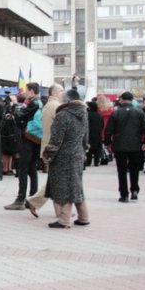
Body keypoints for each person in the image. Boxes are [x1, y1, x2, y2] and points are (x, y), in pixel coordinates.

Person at [42, 89, 90, 228]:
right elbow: (85, 137)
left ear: (67, 101)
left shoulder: (63, 115)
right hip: (78, 154)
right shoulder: (83, 113)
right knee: (76, 186)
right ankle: (83, 217)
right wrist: (83, 151)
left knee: (65, 187)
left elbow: (56, 140)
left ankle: (64, 220)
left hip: (63, 156)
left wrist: (48, 156)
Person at [24, 83, 64, 217]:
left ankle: (61, 212)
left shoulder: (48, 106)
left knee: (55, 180)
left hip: (48, 147)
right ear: (54, 93)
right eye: (61, 90)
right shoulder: (56, 107)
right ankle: (35, 202)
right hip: (55, 149)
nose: (63, 93)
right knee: (56, 181)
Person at [104, 92, 145, 202]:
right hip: (135, 145)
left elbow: (108, 130)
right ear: (132, 100)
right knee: (134, 168)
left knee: (122, 170)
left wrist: (108, 143)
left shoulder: (116, 113)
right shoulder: (139, 112)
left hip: (119, 145)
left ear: (121, 100)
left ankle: (124, 194)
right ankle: (134, 190)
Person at [4, 82, 41, 210]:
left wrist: (14, 107)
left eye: (27, 90)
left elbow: (21, 118)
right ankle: (33, 197)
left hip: (28, 140)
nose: (25, 92)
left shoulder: (33, 103)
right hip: (36, 140)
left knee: (23, 169)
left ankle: (20, 199)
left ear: (31, 91)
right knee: (32, 168)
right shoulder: (39, 102)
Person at [0, 94, 20, 175]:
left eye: (14, 99)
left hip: (13, 132)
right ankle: (5, 169)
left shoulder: (16, 108)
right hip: (6, 133)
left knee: (11, 152)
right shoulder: (6, 108)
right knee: (6, 152)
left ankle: (9, 168)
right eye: (12, 99)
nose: (13, 101)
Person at [86, 102, 105, 167]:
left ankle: (88, 162)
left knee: (89, 149)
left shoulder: (87, 114)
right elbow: (102, 125)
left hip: (89, 133)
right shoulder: (99, 115)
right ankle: (96, 162)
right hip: (98, 133)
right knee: (97, 149)